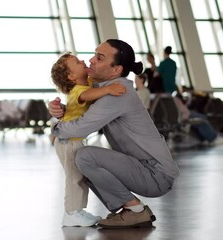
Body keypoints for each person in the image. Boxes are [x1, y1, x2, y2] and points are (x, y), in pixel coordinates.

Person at [49, 39, 180, 229]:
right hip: (145, 168)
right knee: (82, 160)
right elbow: (79, 106)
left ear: (115, 70)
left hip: (156, 175)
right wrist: (60, 109)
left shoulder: (118, 91)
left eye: (99, 58)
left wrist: (55, 128)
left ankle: (135, 211)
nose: (91, 60)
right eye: (94, 54)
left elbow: (81, 127)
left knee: (83, 157)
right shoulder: (102, 87)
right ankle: (129, 210)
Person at [50, 52, 127, 227]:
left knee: (79, 177)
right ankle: (71, 213)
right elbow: (88, 96)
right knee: (74, 178)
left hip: (74, 140)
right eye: (77, 62)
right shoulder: (78, 91)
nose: (83, 60)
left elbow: (93, 87)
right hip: (67, 141)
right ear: (71, 76)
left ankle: (77, 210)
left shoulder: (88, 84)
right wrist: (108, 89)